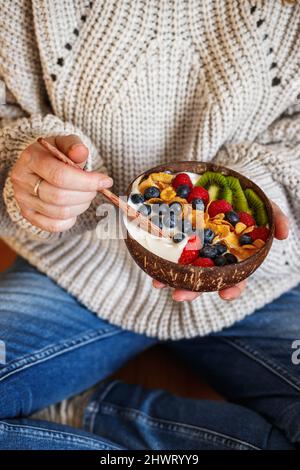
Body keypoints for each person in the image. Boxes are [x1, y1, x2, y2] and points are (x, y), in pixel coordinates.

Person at [0, 0, 299, 450]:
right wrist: (22, 162)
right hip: (79, 268)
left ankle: (80, 415)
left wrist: (257, 197)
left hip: (258, 281)